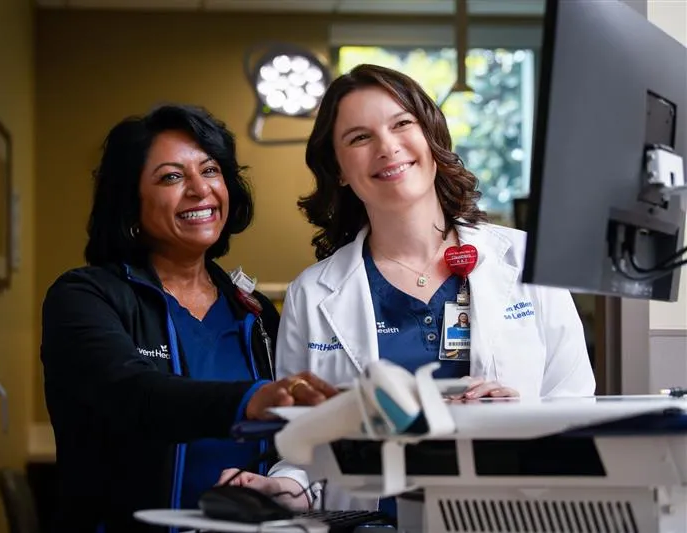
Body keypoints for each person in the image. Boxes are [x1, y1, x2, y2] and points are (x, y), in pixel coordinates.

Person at [227, 64, 596, 513]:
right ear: (339, 169)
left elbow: (575, 409)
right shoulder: (312, 293)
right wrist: (282, 490)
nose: (388, 147)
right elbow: (302, 448)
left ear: (433, 140)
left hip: (506, 514)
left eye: (402, 124)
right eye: (359, 138)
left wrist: (515, 419)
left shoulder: (524, 262)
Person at [40, 103, 337, 533]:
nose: (200, 190)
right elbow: (134, 395)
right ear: (130, 201)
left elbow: (288, 451)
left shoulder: (254, 313)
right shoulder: (85, 298)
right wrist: (250, 399)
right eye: (172, 177)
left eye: (211, 170)